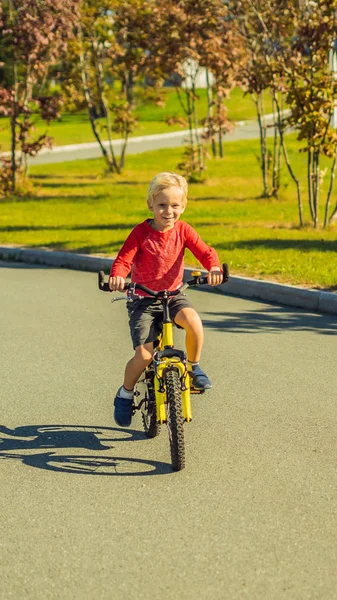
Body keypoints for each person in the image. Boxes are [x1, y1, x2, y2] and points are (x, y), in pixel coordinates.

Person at [109, 172, 223, 427]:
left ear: (183, 206)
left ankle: (193, 367)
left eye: (174, 205)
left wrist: (214, 268)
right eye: (162, 205)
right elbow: (123, 260)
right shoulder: (140, 233)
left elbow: (205, 252)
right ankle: (125, 393)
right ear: (151, 205)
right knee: (145, 356)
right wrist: (117, 276)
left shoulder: (184, 231)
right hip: (143, 299)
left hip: (173, 295)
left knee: (194, 323)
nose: (168, 211)